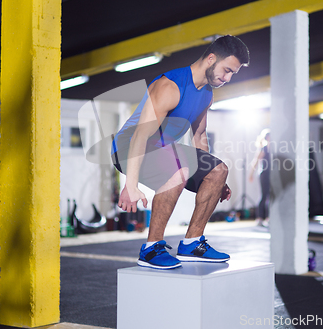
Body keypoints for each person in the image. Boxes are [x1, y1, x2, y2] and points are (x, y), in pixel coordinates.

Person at [111, 35, 250, 269]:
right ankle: (151, 248)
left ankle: (192, 243)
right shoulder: (170, 86)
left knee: (219, 170)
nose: (226, 78)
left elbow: (199, 136)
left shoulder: (206, 94)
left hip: (163, 150)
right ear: (211, 59)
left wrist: (213, 177)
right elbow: (140, 136)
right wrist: (130, 185)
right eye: (226, 70)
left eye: (232, 75)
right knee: (177, 170)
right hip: (128, 147)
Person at [249, 129, 270, 227]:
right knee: (264, 195)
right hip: (264, 174)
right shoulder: (264, 149)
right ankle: (260, 218)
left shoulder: (274, 149)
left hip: (272, 174)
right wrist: (251, 174)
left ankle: (269, 217)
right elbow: (256, 161)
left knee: (271, 196)